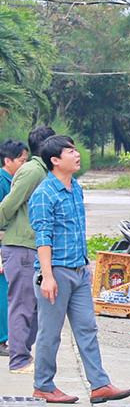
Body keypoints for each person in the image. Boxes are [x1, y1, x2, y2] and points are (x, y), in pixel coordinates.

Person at [29, 135, 130, 404]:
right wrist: (48, 276)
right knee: (50, 333)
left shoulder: (76, 188)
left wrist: (86, 268)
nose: (77, 155)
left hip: (78, 271)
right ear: (54, 160)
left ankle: (99, 384)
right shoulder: (44, 194)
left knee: (87, 328)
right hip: (56, 272)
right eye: (70, 151)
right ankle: (43, 386)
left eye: (76, 150)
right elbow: (43, 237)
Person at [0, 125, 54, 373]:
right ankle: (19, 358)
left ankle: (25, 354)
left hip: (35, 247)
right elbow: (8, 206)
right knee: (22, 305)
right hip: (21, 247)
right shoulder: (32, 172)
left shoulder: (45, 172)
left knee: (35, 306)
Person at [0, 139, 28, 358]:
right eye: (21, 160)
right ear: (7, 160)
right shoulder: (2, 182)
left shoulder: (15, 181)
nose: (24, 164)